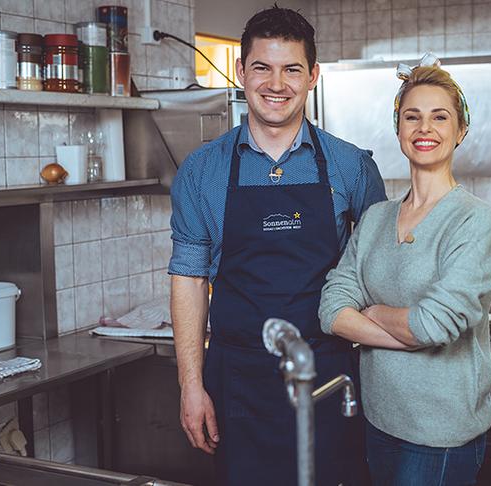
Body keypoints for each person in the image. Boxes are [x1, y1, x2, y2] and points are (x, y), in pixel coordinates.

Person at [168, 6, 386, 486]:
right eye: (262, 67)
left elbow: (377, 276)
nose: (276, 83)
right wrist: (191, 385)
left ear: (313, 76)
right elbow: (188, 276)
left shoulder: (352, 167)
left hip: (328, 372)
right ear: (241, 71)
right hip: (237, 378)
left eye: (291, 69)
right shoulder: (201, 171)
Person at [319, 54, 491, 486]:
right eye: (412, 117)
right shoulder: (376, 219)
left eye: (440, 117)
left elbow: (434, 326)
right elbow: (331, 309)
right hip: (380, 421)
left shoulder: (473, 220)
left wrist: (373, 314)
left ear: (460, 130)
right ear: (398, 128)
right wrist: (414, 332)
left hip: (441, 432)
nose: (425, 129)